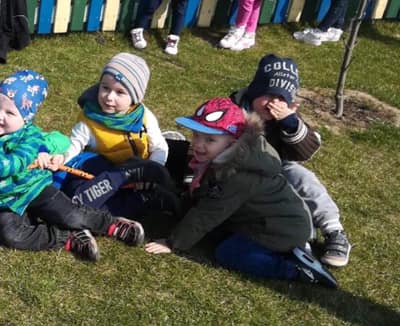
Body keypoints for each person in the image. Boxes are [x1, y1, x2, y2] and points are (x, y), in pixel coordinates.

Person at [0, 70, 145, 260]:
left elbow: (18, 160)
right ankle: (68, 237)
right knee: (12, 236)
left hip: (35, 188)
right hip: (2, 200)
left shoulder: (31, 136)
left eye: (10, 113)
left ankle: (112, 225)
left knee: (72, 216)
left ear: (26, 118)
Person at [144, 97, 338, 288]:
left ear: (233, 141)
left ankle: (297, 269)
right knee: (215, 234)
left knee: (229, 252)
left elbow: (209, 212)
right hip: (261, 221)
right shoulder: (223, 158)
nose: (198, 144)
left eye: (210, 139)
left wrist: (173, 242)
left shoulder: (238, 173)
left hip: (281, 229)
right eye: (196, 135)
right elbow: (205, 195)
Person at [230, 54, 351, 266]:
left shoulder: (287, 119)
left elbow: (307, 150)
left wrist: (291, 124)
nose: (274, 103)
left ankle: (333, 230)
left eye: (282, 98)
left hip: (277, 168)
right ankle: (300, 241)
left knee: (303, 178)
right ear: (255, 91)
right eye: (269, 95)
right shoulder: (233, 109)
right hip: (239, 172)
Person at [60, 53, 177, 219]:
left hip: (140, 175)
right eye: (105, 88)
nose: (109, 97)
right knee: (80, 191)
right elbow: (75, 144)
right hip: (103, 176)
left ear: (135, 97)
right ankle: (135, 203)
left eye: (120, 92)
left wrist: (150, 172)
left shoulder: (143, 116)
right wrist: (61, 158)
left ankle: (149, 198)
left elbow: (159, 147)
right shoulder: (89, 118)